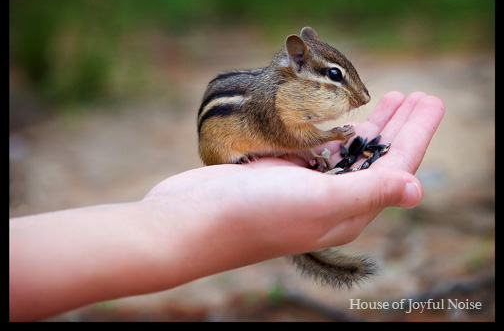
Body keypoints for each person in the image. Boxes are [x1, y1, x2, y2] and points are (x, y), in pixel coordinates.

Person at [9, 91, 445, 321]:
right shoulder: (272, 106)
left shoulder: (287, 103)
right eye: (330, 85)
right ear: (295, 74)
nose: (353, 99)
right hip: (226, 147)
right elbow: (290, 134)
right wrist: (331, 137)